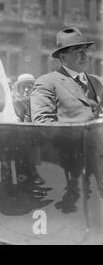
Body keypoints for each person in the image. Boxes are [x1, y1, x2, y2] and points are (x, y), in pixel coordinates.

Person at [31, 27, 103, 213]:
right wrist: (82, 132)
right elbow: (42, 123)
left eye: (85, 50)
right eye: (77, 51)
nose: (84, 55)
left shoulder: (95, 82)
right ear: (62, 57)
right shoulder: (47, 82)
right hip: (68, 162)